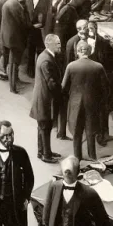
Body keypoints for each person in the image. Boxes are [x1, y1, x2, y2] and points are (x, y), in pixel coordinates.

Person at [41, 156, 109, 226]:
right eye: (65, 171)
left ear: (78, 173)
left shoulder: (89, 194)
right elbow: (46, 219)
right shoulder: (54, 187)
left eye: (70, 172)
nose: (67, 173)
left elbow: (104, 224)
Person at [62, 41, 109, 161]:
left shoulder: (71, 66)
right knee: (90, 131)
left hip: (75, 104)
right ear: (89, 51)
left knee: (77, 132)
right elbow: (106, 88)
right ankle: (92, 157)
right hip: (92, 104)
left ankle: (77, 158)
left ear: (78, 51)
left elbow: (63, 87)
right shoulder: (98, 67)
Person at [29, 34, 64, 163]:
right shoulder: (46, 60)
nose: (60, 45)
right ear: (48, 44)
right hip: (45, 99)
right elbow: (51, 82)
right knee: (45, 127)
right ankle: (46, 155)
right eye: (57, 43)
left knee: (42, 127)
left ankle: (43, 151)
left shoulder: (46, 56)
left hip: (42, 98)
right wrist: (62, 91)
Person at [0, 0, 30, 93]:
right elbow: (22, 22)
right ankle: (13, 87)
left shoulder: (9, 3)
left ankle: (15, 81)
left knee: (12, 62)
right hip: (14, 39)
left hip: (8, 37)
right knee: (13, 63)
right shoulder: (15, 5)